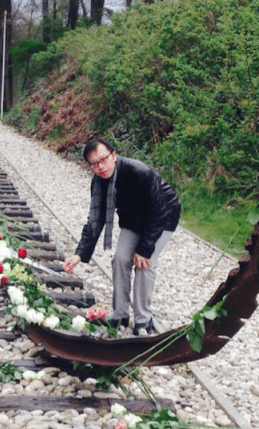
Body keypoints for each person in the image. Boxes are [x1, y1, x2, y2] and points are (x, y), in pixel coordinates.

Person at [63, 136, 181, 336]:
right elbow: (95, 220)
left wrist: (144, 250)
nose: (101, 166)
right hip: (133, 220)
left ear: (114, 154)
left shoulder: (139, 171)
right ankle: (120, 314)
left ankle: (144, 320)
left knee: (145, 264)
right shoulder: (98, 183)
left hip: (163, 216)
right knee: (120, 259)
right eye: (94, 163)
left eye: (104, 159)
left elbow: (158, 211)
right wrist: (79, 254)